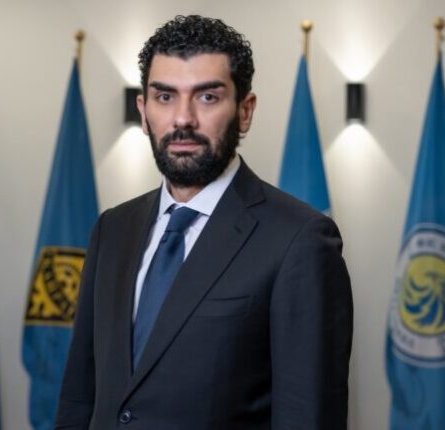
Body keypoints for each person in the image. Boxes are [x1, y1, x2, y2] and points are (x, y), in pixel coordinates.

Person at [55, 15, 352, 430]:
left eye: (207, 97)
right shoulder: (113, 229)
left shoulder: (299, 240)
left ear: (245, 111)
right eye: (164, 97)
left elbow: (308, 416)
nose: (183, 119)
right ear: (143, 111)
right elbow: (79, 398)